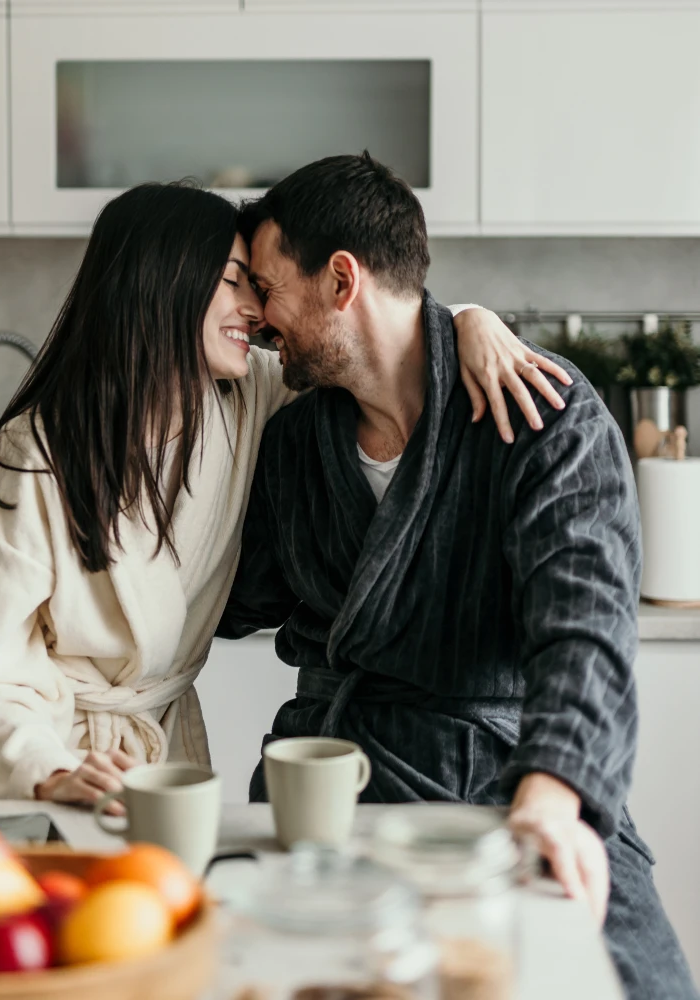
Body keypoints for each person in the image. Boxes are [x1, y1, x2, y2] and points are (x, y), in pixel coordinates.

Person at [0, 180, 567, 813]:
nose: (257, 309)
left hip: (149, 768)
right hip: (17, 766)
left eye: (258, 286)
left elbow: (374, 339)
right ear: (163, 284)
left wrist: (469, 322)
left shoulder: (248, 398)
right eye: (232, 282)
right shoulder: (39, 450)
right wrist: (50, 772)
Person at [216, 153, 697, 1000]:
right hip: (334, 794)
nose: (257, 317)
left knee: (635, 980)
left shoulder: (543, 415)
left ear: (341, 281)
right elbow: (226, 602)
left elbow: (584, 629)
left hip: (508, 786)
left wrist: (554, 793)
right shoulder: (295, 444)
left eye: (266, 286)